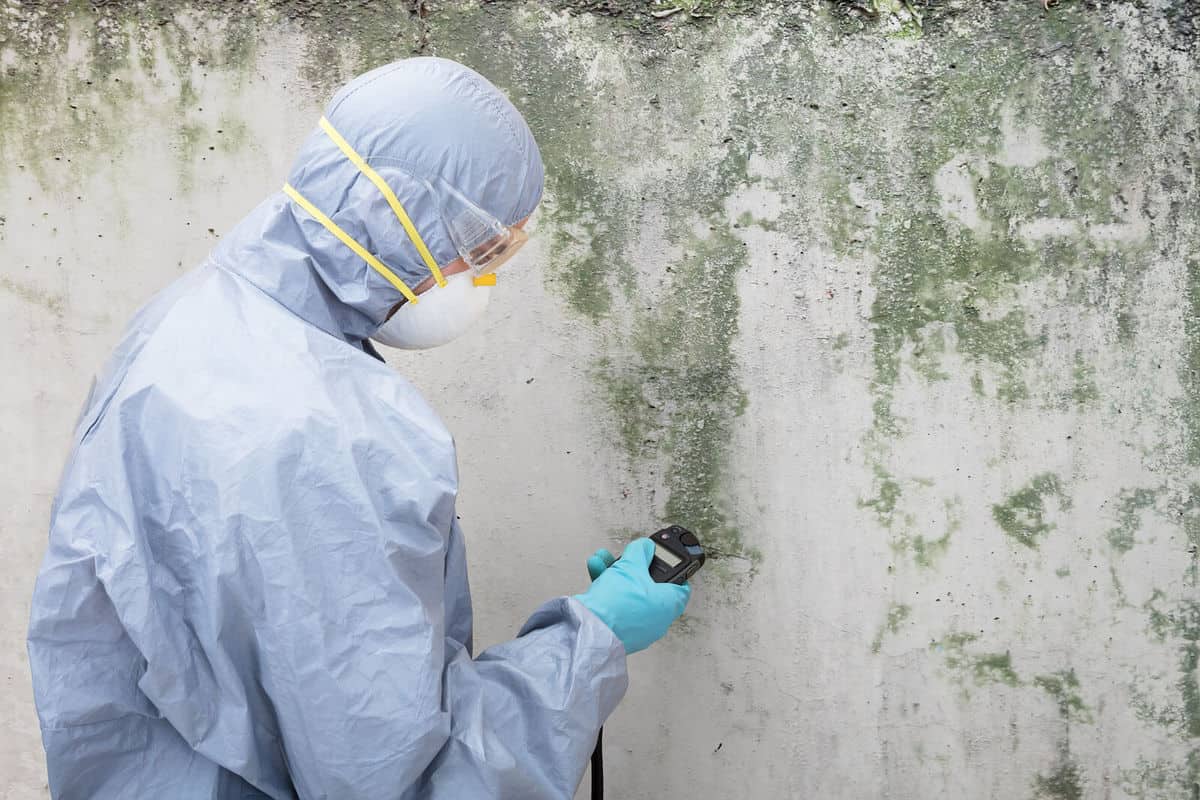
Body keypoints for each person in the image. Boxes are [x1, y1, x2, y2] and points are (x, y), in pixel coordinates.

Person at [26, 57, 691, 799]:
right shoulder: (323, 436)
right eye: (484, 253)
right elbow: (395, 782)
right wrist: (588, 642)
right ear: (401, 219)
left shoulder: (192, 319)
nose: (484, 279)